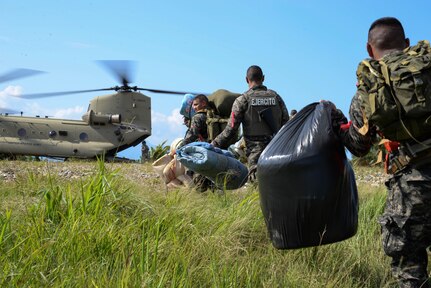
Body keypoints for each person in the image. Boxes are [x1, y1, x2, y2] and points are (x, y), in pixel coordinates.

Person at [335, 17, 431, 287]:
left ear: (369, 49)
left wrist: (337, 120)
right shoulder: (428, 66)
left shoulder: (370, 86)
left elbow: (358, 145)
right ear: (408, 44)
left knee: (410, 269)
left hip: (413, 186)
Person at [211, 65, 289, 181]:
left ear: (246, 79)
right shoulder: (276, 97)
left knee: (256, 189)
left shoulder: (242, 100)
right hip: (277, 150)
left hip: (255, 154)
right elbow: (286, 125)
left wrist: (213, 144)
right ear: (263, 78)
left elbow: (231, 129)